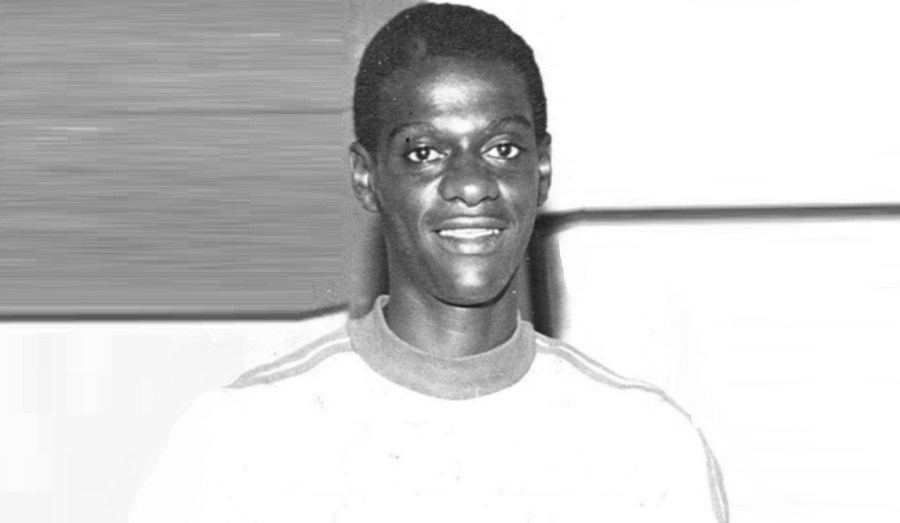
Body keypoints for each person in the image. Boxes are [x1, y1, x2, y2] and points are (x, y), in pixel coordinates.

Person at [129, 3, 728, 522]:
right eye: (424, 152)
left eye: (502, 148)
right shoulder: (245, 439)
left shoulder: (646, 447)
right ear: (367, 177)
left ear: (541, 170)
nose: (471, 183)